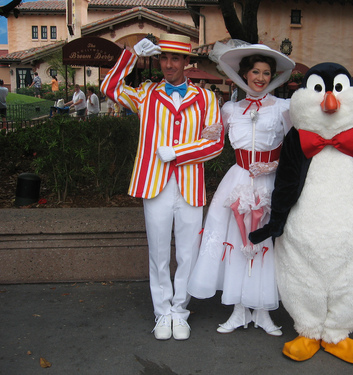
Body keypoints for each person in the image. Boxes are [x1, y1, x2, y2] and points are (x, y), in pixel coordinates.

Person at [101, 33, 224, 341]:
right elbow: (108, 88)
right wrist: (129, 56)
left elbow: (216, 144)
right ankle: (162, 312)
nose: (168, 65)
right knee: (158, 253)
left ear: (186, 62)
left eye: (175, 58)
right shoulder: (146, 94)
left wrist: (178, 152)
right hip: (154, 183)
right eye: (163, 58)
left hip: (190, 185)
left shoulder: (207, 98)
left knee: (187, 253)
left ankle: (180, 311)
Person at [188, 41, 295, 336]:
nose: (260, 78)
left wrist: (273, 166)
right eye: (255, 72)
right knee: (237, 243)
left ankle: (262, 312)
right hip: (236, 181)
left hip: (269, 185)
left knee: (264, 244)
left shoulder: (284, 109)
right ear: (244, 74)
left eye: (266, 73)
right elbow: (209, 140)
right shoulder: (229, 109)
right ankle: (238, 310)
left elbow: (296, 150)